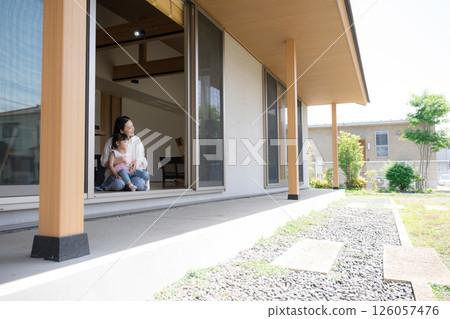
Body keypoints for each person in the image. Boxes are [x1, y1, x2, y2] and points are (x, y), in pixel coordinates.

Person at [96, 116, 150, 191]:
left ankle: (129, 186)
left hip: (133, 174)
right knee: (118, 184)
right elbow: (103, 162)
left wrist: (135, 164)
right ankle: (125, 186)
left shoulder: (136, 140)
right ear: (121, 131)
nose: (133, 129)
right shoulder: (111, 141)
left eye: (133, 126)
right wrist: (117, 160)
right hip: (117, 175)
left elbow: (141, 158)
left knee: (139, 184)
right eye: (130, 128)